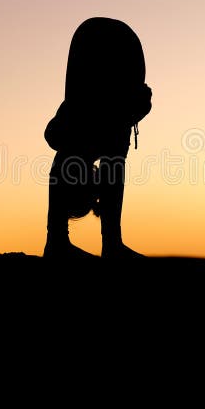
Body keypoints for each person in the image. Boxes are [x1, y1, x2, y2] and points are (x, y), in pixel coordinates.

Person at [43, 17, 152, 259]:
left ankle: (62, 240)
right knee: (113, 158)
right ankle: (104, 242)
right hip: (113, 44)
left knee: (109, 157)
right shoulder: (83, 142)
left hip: (101, 43)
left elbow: (52, 135)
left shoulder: (71, 142)